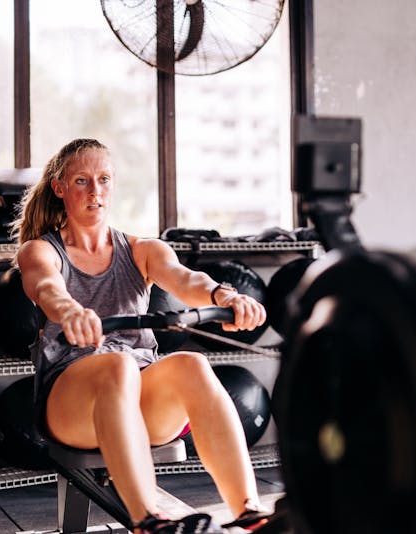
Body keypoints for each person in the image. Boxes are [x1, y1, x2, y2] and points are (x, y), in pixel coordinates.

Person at [14, 138, 271, 534]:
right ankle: (147, 520)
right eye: (82, 180)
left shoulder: (141, 250)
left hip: (140, 402)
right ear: (60, 188)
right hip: (71, 406)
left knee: (192, 364)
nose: (95, 191)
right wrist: (69, 311)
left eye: (103, 179)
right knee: (116, 366)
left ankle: (249, 513)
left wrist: (226, 296)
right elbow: (46, 286)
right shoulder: (41, 250)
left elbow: (186, 280)